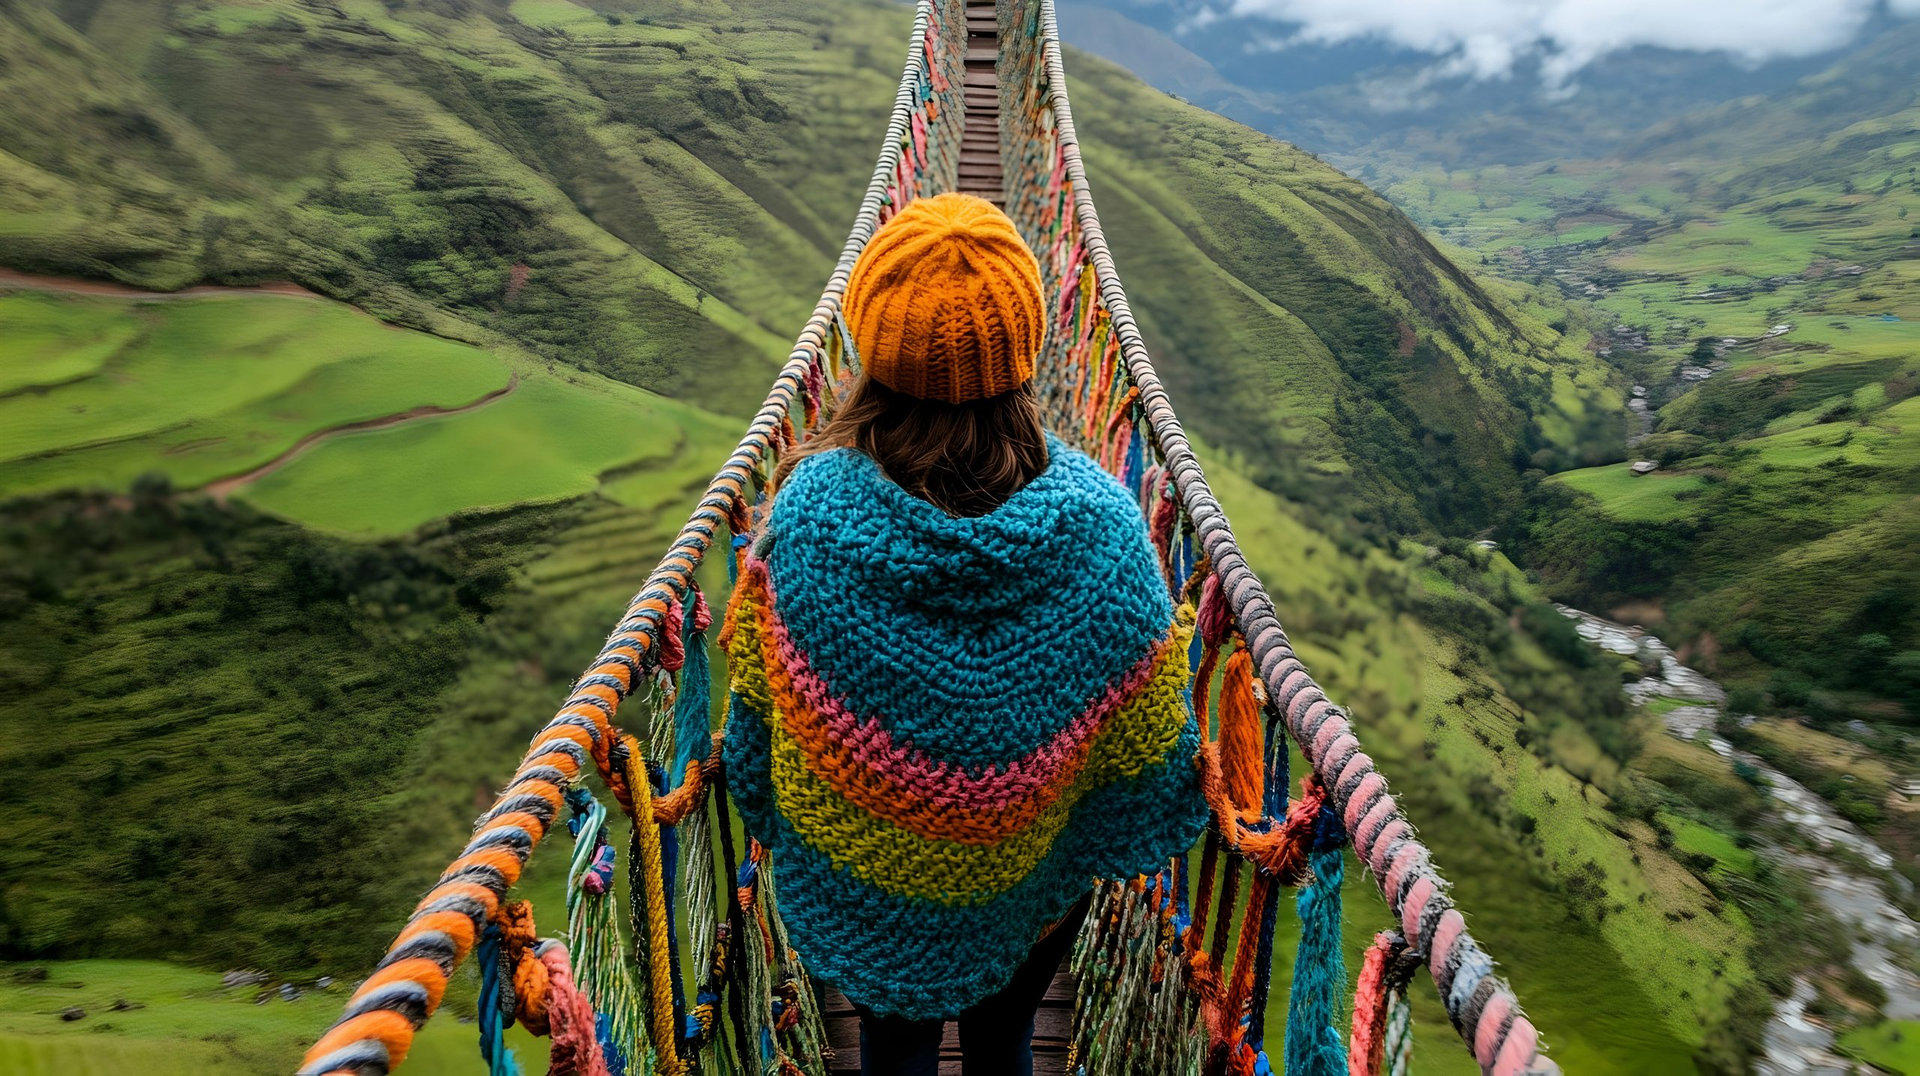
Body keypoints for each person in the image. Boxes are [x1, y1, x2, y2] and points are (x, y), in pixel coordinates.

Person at [721, 192, 1207, 1076]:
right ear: (1025, 350)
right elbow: (1151, 741)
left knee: (892, 1051)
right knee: (1004, 1044)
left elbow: (762, 724)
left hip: (873, 883)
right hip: (1032, 882)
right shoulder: (1101, 527)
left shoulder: (806, 522)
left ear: (873, 348)